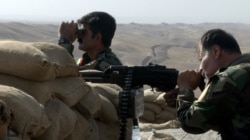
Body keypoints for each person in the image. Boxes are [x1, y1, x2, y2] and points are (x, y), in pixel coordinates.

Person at [164, 29, 250, 139]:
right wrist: (187, 100)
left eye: (201, 59)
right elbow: (220, 113)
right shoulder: (243, 71)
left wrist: (185, 89)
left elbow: (191, 123)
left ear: (215, 51)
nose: (200, 68)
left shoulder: (230, 77)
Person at [58, 11, 122, 71]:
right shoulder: (87, 60)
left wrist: (64, 40)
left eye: (83, 32)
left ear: (97, 37)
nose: (78, 36)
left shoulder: (107, 63)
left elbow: (69, 73)